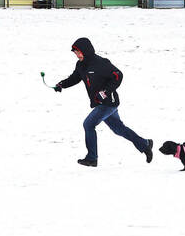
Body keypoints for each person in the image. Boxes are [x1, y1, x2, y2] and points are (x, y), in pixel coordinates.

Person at [53, 37, 154, 168]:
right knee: (119, 129)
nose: (77, 55)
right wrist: (62, 85)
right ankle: (145, 144)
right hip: (99, 103)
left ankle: (92, 158)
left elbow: (118, 75)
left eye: (78, 52)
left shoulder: (101, 63)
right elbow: (75, 78)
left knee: (88, 124)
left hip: (108, 103)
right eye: (75, 53)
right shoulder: (81, 65)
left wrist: (105, 91)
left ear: (86, 51)